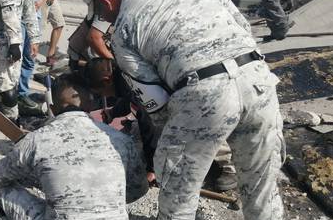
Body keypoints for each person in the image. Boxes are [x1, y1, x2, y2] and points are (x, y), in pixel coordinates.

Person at [77, 0, 285, 220]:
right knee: (260, 175)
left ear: (104, 4)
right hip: (258, 77)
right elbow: (242, 26)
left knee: (178, 182)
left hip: (204, 90)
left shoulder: (125, 29)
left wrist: (168, 148)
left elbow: (156, 106)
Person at [0, 74, 147, 220]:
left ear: (52, 107)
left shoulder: (37, 139)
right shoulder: (120, 139)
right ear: (90, 103)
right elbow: (139, 189)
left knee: (0, 194)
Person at [84, 58, 239, 192]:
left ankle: (230, 167)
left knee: (206, 126)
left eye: (101, 92)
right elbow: (130, 100)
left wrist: (152, 170)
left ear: (106, 81)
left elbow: (149, 125)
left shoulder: (134, 80)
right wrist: (114, 113)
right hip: (184, 91)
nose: (104, 96)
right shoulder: (125, 74)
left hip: (203, 94)